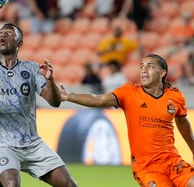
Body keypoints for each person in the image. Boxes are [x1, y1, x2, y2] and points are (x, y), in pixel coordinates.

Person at [0, 23, 78, 187]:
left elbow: (54, 102)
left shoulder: (32, 69)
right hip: (0, 143)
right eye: (1, 33)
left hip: (32, 143)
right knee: (12, 184)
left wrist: (50, 81)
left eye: (9, 33)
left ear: (20, 43)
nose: (3, 35)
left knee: (69, 184)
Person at [59, 54, 194, 187]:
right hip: (147, 166)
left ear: (162, 73)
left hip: (172, 160)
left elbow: (183, 124)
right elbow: (99, 99)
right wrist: (69, 96)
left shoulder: (175, 96)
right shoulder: (129, 92)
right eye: (142, 66)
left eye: (150, 66)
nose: (144, 70)